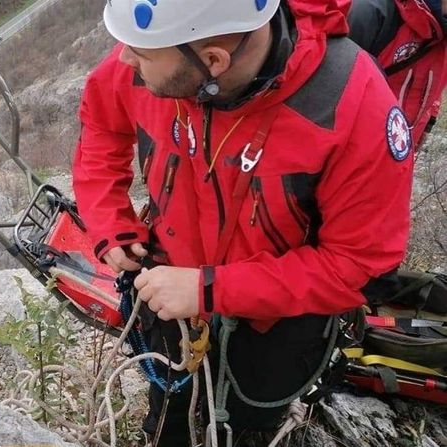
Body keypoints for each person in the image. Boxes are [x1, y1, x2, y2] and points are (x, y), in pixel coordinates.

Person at [72, 0, 413, 445]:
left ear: (214, 60)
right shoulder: (165, 54)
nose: (123, 59)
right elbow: (102, 120)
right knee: (170, 413)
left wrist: (208, 289)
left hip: (277, 326)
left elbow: (359, 265)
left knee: (247, 422)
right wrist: (108, 219)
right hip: (169, 296)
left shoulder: (349, 102)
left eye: (140, 54)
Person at [349, 0, 447, 146]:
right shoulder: (372, 11)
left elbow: (435, 78)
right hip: (356, 150)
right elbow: (332, 90)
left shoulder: (442, 29)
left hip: (399, 150)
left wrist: (428, 122)